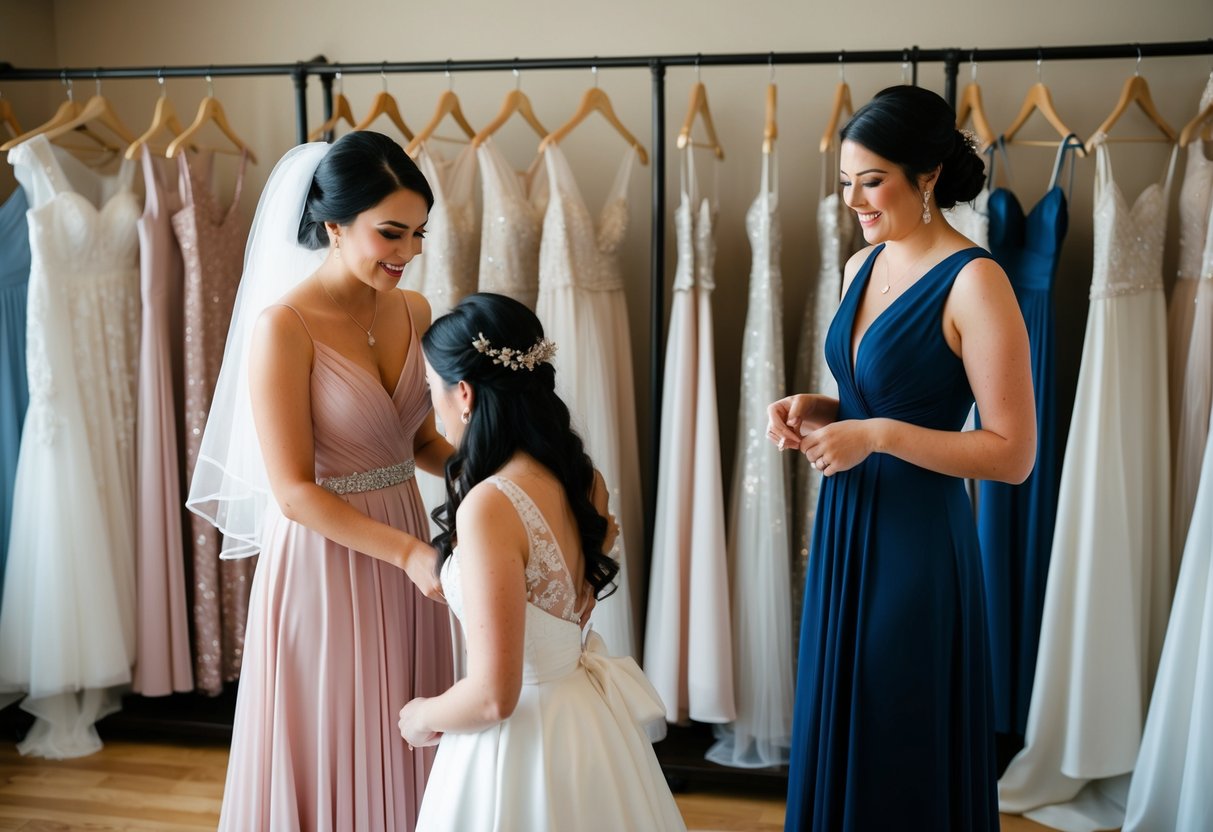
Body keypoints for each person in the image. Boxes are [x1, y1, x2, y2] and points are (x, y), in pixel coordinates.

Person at [767, 85, 1036, 831]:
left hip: (916, 542)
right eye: (845, 182)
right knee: (843, 707)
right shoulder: (863, 265)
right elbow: (870, 394)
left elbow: (1011, 455)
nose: (854, 199)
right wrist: (820, 409)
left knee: (894, 722)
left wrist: (876, 435)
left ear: (925, 176)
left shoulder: (975, 282)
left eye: (871, 180)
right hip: (848, 526)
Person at [186, 132, 455, 831]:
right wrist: (406, 553)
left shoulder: (415, 311)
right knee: (339, 727)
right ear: (334, 225)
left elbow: (421, 441)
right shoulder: (285, 327)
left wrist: (504, 473)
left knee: (410, 723)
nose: (408, 253)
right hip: (326, 558)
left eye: (418, 233)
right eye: (390, 233)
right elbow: (294, 491)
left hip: (408, 547)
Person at [399, 292, 687, 831]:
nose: (430, 405)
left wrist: (421, 716)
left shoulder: (490, 505)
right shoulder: (583, 479)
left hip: (519, 746)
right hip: (585, 722)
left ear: (464, 393)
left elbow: (493, 697)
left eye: (431, 388)